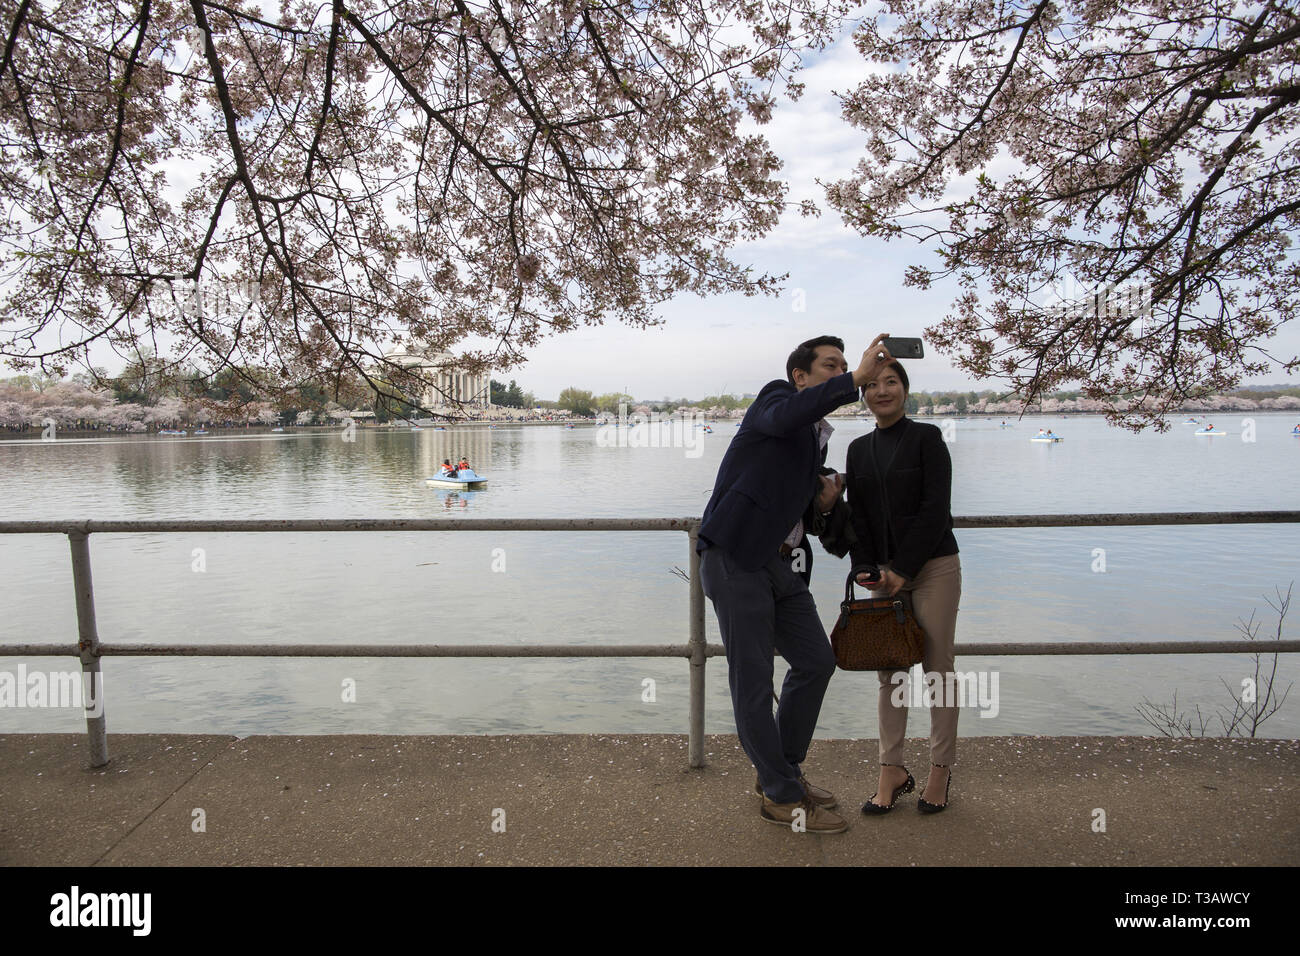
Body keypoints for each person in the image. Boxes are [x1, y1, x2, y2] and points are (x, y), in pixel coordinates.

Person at [698, 332, 894, 834]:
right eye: (830, 365)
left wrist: (821, 505)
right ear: (799, 377)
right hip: (736, 558)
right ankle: (781, 794)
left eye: (844, 365)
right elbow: (785, 418)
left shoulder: (811, 440)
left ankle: (778, 772)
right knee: (753, 680)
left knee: (816, 661)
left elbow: (784, 500)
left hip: (780, 564)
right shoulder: (775, 401)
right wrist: (854, 380)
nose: (841, 371)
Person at [845, 358, 962, 816]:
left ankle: (939, 769)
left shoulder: (927, 439)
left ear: (905, 390)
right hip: (884, 574)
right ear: (863, 395)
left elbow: (937, 510)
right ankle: (890, 770)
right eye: (872, 384)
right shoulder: (857, 450)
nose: (882, 391)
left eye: (891, 382)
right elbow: (859, 518)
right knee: (889, 673)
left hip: (933, 567)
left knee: (938, 669)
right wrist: (864, 568)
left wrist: (904, 571)